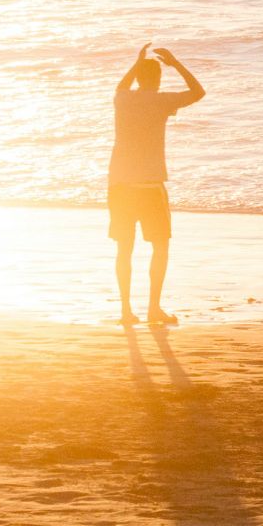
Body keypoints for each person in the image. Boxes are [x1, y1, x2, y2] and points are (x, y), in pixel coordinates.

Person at [109, 42, 205, 327]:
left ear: (137, 77)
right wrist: (175, 63)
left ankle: (126, 310)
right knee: (160, 247)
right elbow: (199, 92)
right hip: (150, 188)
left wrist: (135, 64)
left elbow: (120, 88)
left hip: (121, 186)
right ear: (159, 79)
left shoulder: (123, 100)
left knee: (124, 249)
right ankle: (153, 308)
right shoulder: (162, 101)